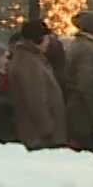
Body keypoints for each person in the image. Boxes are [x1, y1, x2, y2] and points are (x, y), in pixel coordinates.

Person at [8, 19, 69, 149]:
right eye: (46, 38)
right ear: (38, 40)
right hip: (38, 134)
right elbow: (36, 99)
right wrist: (47, 128)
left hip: (40, 131)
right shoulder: (28, 63)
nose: (48, 42)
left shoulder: (32, 59)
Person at [63, 11, 93, 149]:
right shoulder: (89, 51)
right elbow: (86, 83)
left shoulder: (82, 46)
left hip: (80, 107)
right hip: (84, 111)